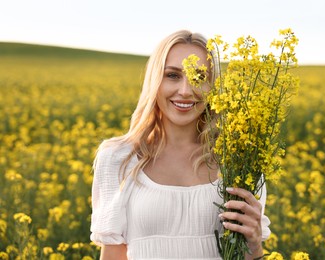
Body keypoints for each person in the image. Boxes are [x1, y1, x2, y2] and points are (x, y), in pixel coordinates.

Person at [90, 30, 271, 259]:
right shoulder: (118, 157)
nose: (185, 91)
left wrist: (254, 245)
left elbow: (246, 252)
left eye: (199, 77)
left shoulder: (240, 161)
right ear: (155, 81)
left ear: (213, 86)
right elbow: (113, 254)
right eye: (173, 76)